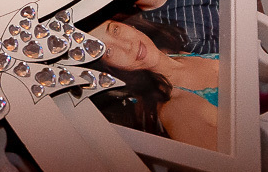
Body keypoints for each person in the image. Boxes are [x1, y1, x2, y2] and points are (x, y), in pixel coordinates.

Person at [89, 12, 219, 150]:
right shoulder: (176, 112)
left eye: (115, 30)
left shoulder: (176, 54)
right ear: (111, 70)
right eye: (108, 51)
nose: (127, 46)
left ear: (129, 25)